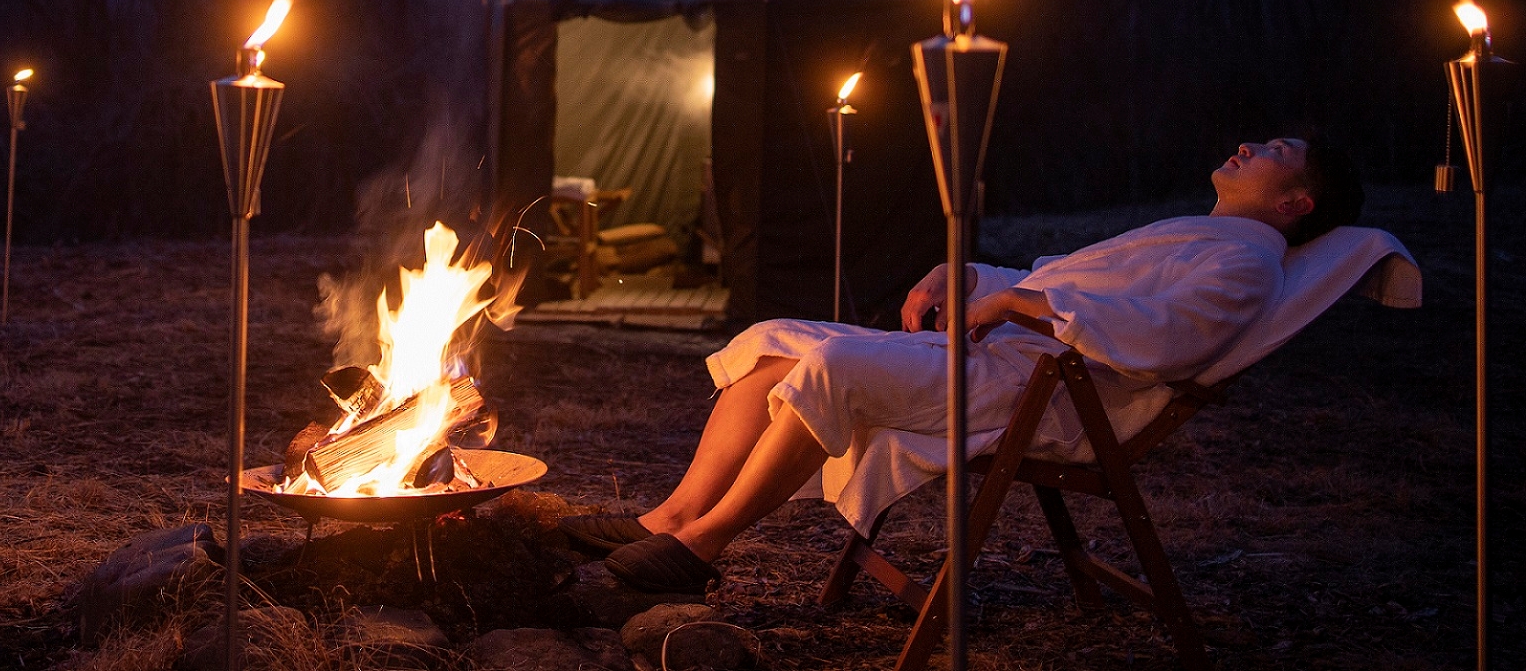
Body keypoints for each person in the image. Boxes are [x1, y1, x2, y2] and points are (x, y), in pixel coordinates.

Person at [561, 134, 1363, 592]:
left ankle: (701, 545)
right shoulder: (1205, 235)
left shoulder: (1246, 265)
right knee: (773, 340)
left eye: (1275, 150)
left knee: (834, 364)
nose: (1249, 144)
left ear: (1295, 203)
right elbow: (1052, 280)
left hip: (1043, 393)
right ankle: (669, 516)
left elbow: (1162, 337)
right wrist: (968, 275)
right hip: (1007, 359)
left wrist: (1019, 306)